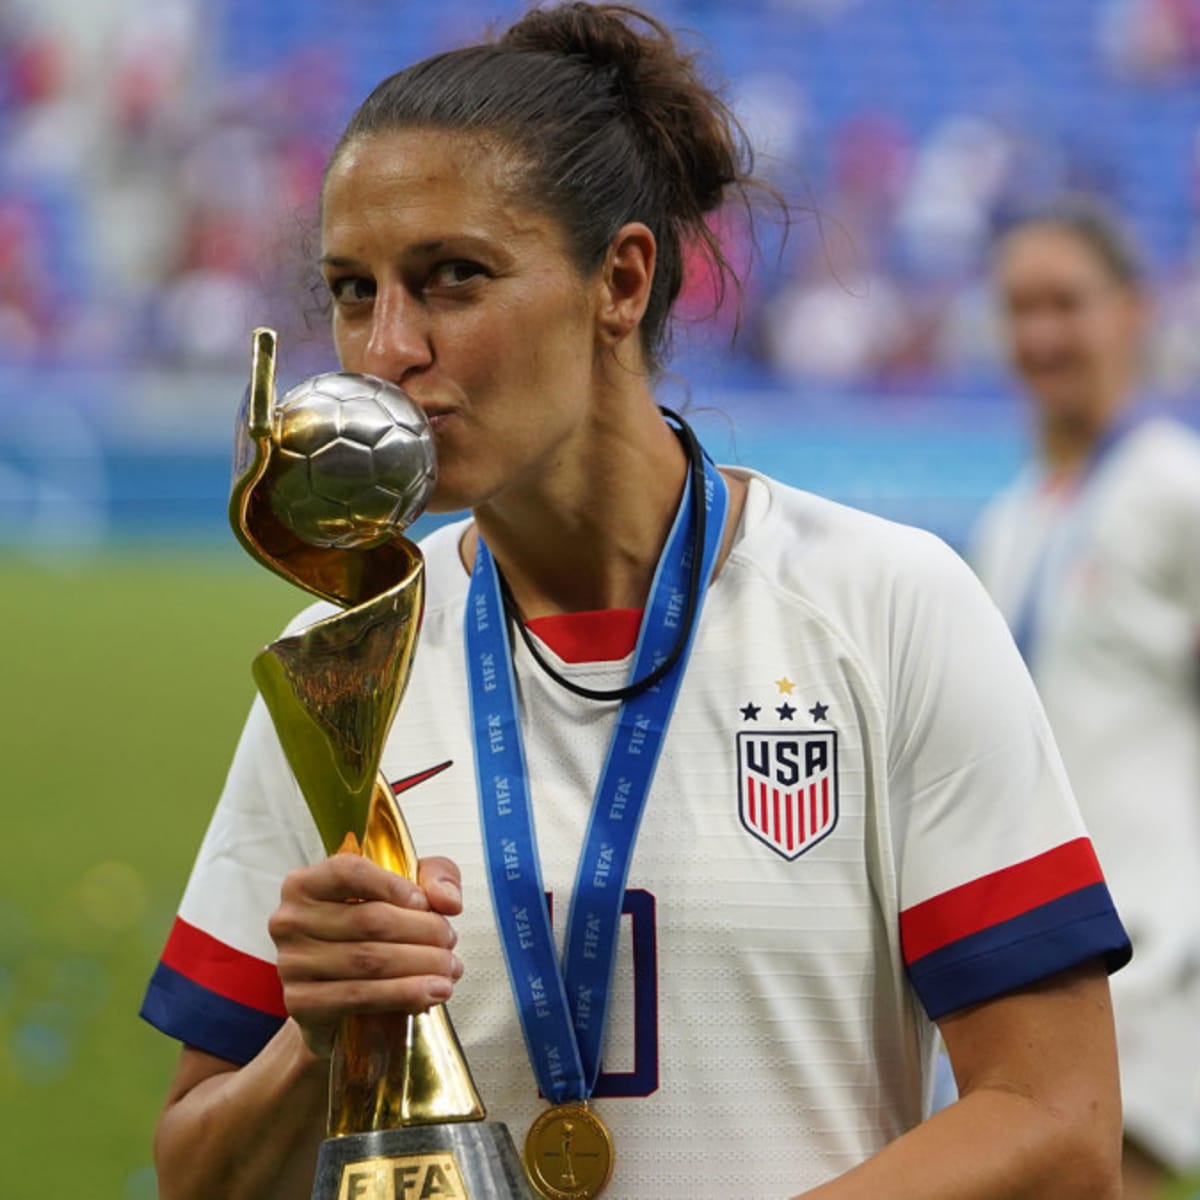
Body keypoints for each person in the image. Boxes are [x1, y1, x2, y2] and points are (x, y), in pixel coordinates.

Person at [141, 6, 1132, 1197]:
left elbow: (1058, 1121)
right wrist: (320, 1037)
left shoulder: (885, 607)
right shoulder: (337, 666)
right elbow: (199, 1171)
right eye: (353, 292)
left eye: (453, 277)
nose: (387, 348)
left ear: (621, 278)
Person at [970, 198, 1200, 1200]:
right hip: (1053, 947)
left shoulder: (1173, 489)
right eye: (1021, 308)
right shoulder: (1013, 517)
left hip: (1160, 945)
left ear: (1130, 312)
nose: (1042, 335)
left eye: (1066, 303)